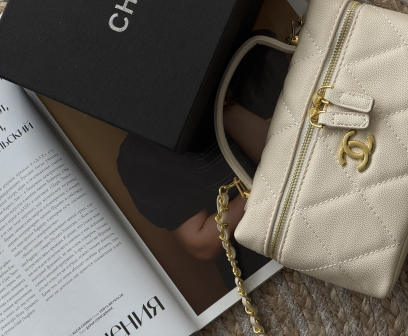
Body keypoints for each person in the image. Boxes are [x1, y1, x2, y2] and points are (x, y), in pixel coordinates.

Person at [116, 35, 289, 288]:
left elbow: (286, 151)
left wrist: (219, 103)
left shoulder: (252, 57)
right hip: (265, 271)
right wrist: (270, 181)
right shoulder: (142, 154)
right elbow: (203, 243)